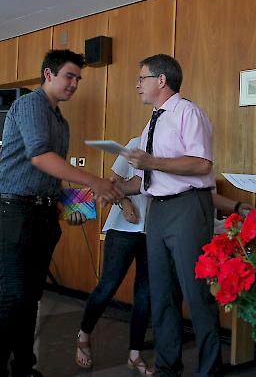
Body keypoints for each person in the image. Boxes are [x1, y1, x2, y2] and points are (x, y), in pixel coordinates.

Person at [0, 49, 123, 377]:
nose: (74, 84)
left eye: (78, 78)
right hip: (13, 211)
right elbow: (40, 158)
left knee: (31, 297)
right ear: (48, 74)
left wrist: (74, 206)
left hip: (42, 214)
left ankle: (23, 368)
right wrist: (97, 182)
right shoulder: (31, 104)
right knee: (14, 295)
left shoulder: (60, 120)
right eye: (69, 76)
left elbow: (48, 179)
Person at [117, 54, 222, 377]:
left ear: (161, 80)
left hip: (188, 207)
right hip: (158, 209)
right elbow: (147, 178)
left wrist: (152, 163)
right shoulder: (153, 121)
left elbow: (202, 164)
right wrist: (117, 188)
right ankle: (167, 368)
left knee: (196, 293)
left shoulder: (188, 113)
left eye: (142, 78)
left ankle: (209, 370)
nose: (137, 85)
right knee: (161, 293)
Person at [75, 137, 155, 375]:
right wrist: (124, 202)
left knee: (145, 293)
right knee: (108, 285)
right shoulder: (137, 141)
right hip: (123, 228)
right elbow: (115, 182)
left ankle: (135, 354)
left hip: (154, 230)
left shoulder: (171, 148)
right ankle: (84, 334)